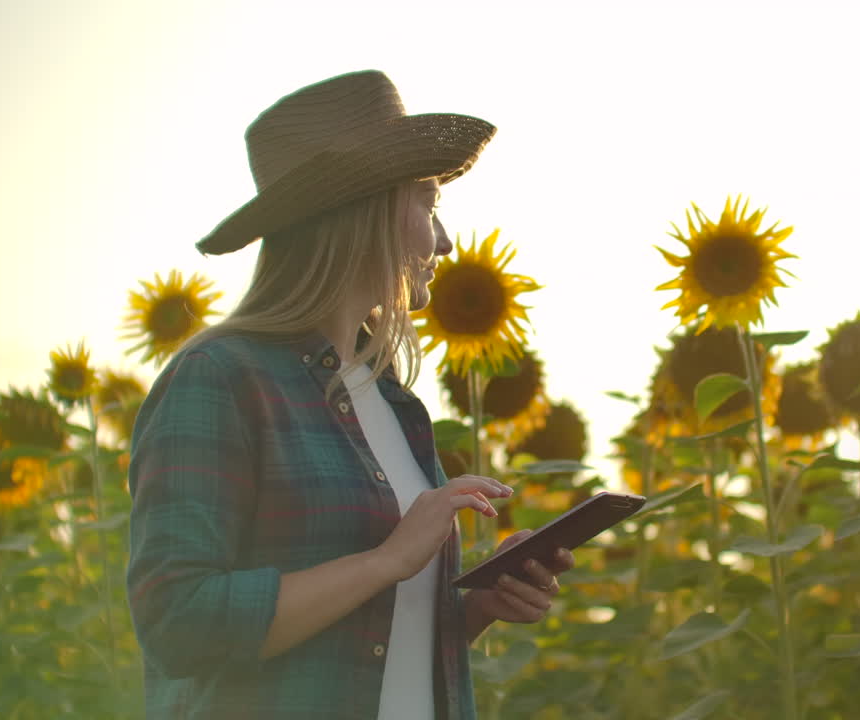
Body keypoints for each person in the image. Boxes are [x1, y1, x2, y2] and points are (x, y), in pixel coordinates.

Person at [125, 70, 574, 720]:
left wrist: (474, 609)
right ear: (363, 209)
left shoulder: (393, 401)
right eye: (427, 203)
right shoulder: (220, 377)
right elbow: (177, 622)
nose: (444, 240)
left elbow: (377, 646)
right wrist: (387, 560)